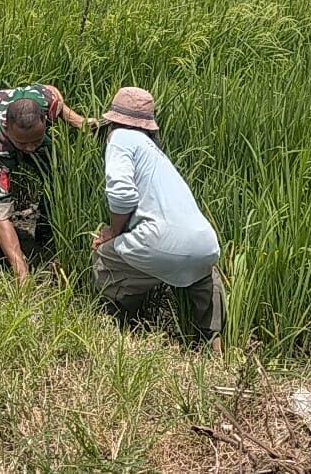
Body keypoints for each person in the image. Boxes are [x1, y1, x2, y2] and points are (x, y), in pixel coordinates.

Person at [91, 87, 226, 352]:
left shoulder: (120, 137)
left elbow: (121, 193)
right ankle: (214, 346)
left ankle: (119, 326)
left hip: (160, 242)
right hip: (206, 244)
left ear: (114, 119)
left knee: (104, 259)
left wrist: (114, 232)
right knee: (205, 275)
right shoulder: (155, 153)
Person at [0, 83, 95, 282]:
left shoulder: (44, 100)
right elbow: (1, 215)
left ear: (44, 119)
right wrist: (22, 271)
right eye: (23, 144)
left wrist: (80, 122)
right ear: (8, 129)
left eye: (36, 140)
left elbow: (54, 96)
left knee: (58, 172)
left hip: (8, 114)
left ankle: (46, 232)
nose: (30, 149)